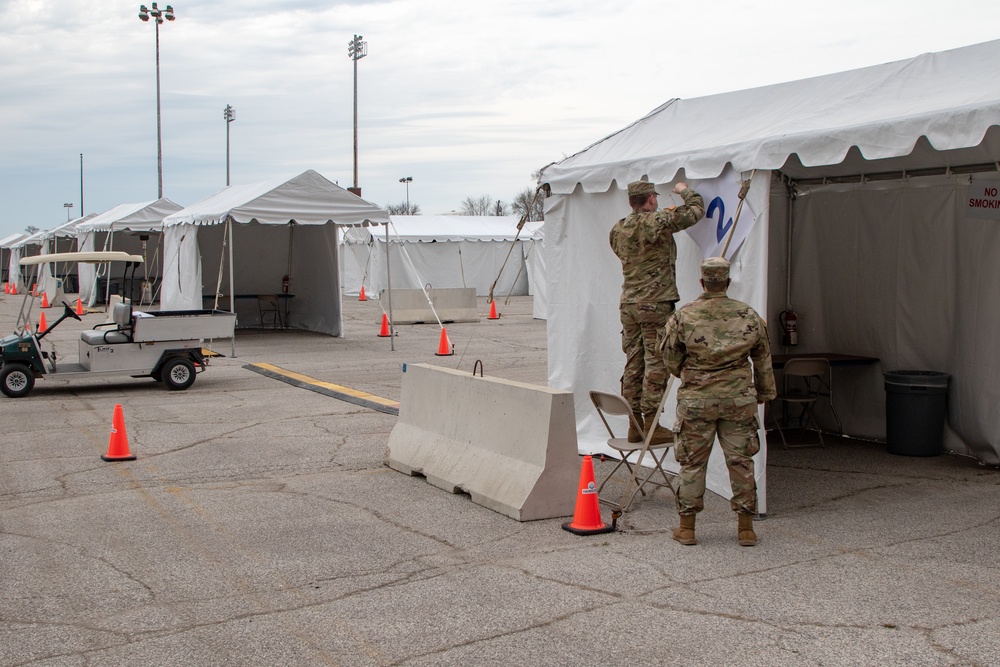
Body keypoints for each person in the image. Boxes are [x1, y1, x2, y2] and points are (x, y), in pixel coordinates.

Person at [659, 257, 776, 547]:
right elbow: (763, 359)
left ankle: (687, 528)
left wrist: (692, 373)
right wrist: (763, 393)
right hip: (738, 401)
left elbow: (670, 359)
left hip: (697, 401)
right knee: (741, 462)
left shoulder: (684, 316)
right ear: (726, 282)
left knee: (692, 463)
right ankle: (746, 529)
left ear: (702, 282)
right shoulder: (748, 315)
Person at [609, 180, 705, 445]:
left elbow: (621, 253)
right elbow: (696, 210)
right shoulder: (660, 221)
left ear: (631, 202)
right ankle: (652, 425)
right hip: (655, 303)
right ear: (651, 199)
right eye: (655, 198)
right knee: (656, 363)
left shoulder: (618, 229)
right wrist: (683, 190)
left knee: (633, 362)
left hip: (629, 305)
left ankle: (633, 424)